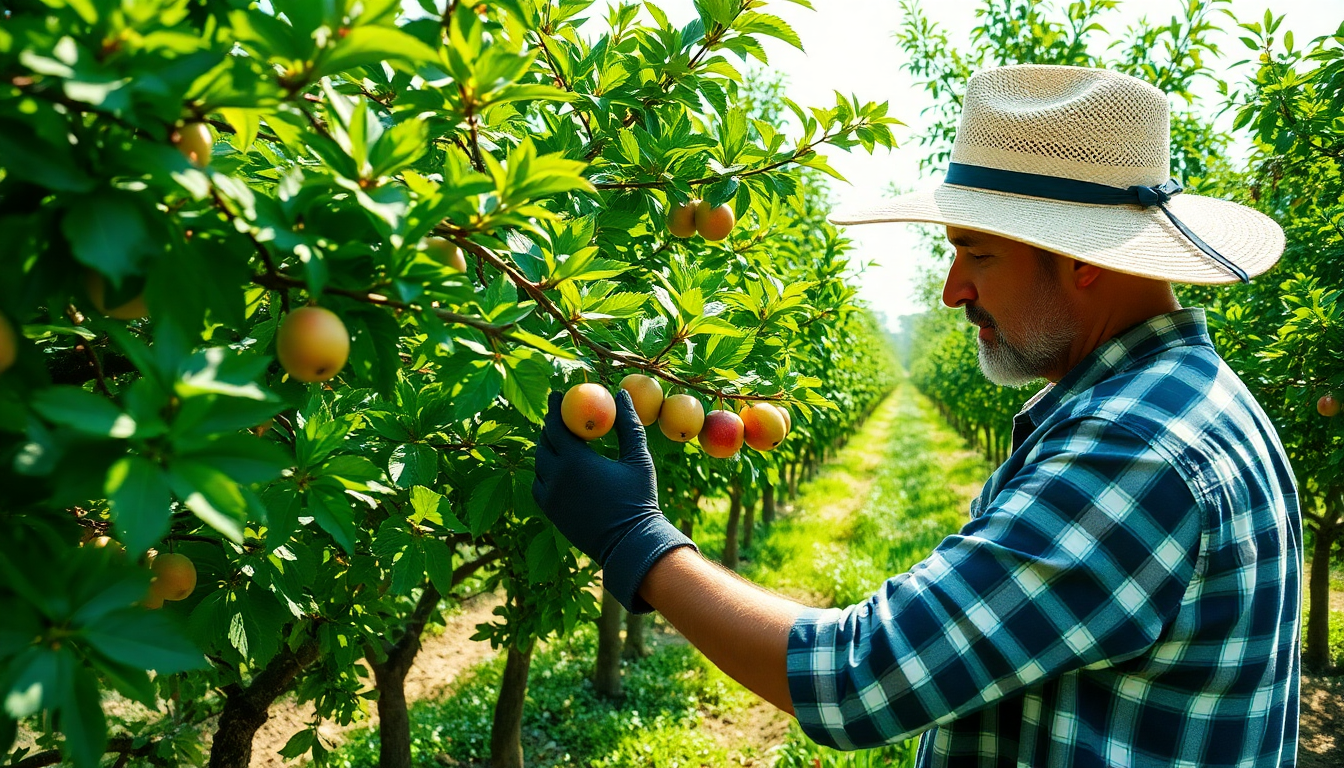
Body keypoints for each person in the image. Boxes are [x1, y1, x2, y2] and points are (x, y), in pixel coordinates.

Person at [531, 65, 1302, 767]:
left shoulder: (1137, 448)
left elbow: (858, 678)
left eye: (978, 254)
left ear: (1083, 259)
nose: (952, 290)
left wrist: (637, 542)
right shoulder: (1192, 399)